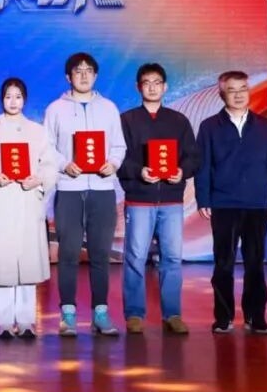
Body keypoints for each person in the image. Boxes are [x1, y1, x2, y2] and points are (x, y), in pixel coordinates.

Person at [195, 70, 267, 335]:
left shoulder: (264, 126)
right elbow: (203, 167)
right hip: (224, 204)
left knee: (255, 263)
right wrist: (204, 199)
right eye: (232, 90)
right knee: (223, 264)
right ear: (222, 94)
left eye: (243, 88)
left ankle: (256, 317)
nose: (238, 95)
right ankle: (223, 318)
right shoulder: (209, 126)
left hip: (257, 204)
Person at [44, 52, 127, 336]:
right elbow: (47, 147)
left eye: (88, 70)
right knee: (68, 253)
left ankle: (100, 313)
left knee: (100, 254)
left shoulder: (109, 108)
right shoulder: (55, 109)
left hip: (102, 190)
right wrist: (64, 164)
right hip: (69, 189)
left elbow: (119, 146)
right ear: (68, 77)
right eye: (77, 71)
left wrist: (112, 164)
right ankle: (67, 314)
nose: (83, 75)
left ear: (96, 75)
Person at [0, 77, 59, 339]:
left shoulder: (36, 130)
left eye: (18, 96)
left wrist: (39, 179)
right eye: (8, 96)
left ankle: (26, 320)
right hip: (1, 201)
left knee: (27, 265)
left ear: (24, 100)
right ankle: (4, 321)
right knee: (4, 265)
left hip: (26, 201)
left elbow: (49, 164)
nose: (13, 101)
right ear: (2, 99)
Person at [118, 63, 200, 335]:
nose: (152, 87)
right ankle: (134, 313)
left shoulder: (178, 121)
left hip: (171, 200)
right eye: (146, 82)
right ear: (138, 87)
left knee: (172, 258)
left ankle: (172, 313)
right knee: (135, 257)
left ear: (165, 87)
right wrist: (138, 171)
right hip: (139, 199)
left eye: (157, 82)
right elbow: (118, 158)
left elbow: (192, 157)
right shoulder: (127, 120)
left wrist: (182, 171)